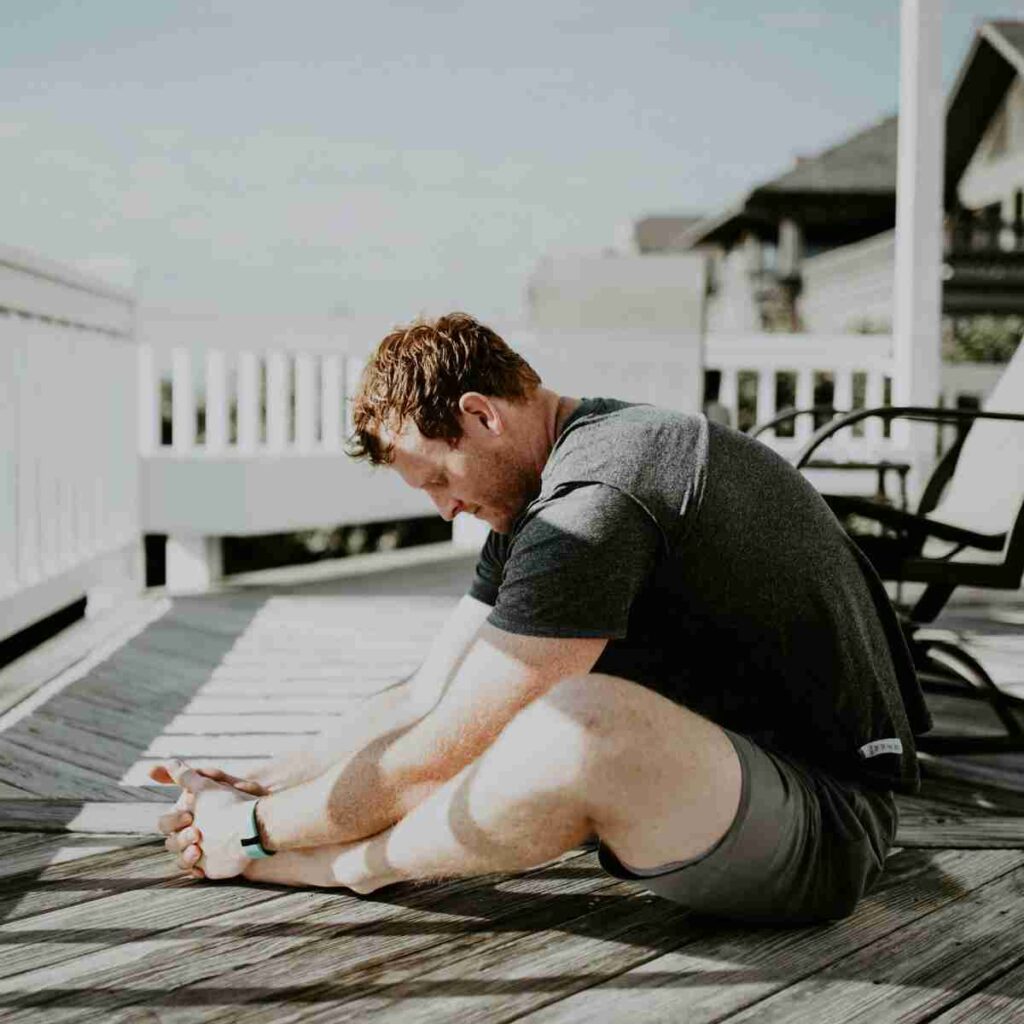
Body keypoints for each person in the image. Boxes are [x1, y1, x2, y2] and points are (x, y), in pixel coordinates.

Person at [153, 312, 930, 924]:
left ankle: (347, 867)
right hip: (722, 784)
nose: (445, 507)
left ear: (480, 415)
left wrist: (259, 833)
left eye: (437, 477)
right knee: (482, 698)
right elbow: (428, 695)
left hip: (825, 826)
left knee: (575, 725)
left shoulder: (597, 498)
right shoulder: (544, 491)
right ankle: (302, 846)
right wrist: (257, 785)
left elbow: (444, 749)